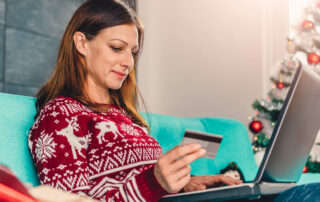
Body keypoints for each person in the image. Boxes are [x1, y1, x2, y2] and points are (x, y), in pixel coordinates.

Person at [28, 0, 242, 201]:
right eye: (117, 48)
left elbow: (135, 183)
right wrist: (153, 182)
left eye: (133, 52)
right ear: (82, 43)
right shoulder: (60, 115)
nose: (129, 62)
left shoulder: (124, 116)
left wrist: (184, 185)